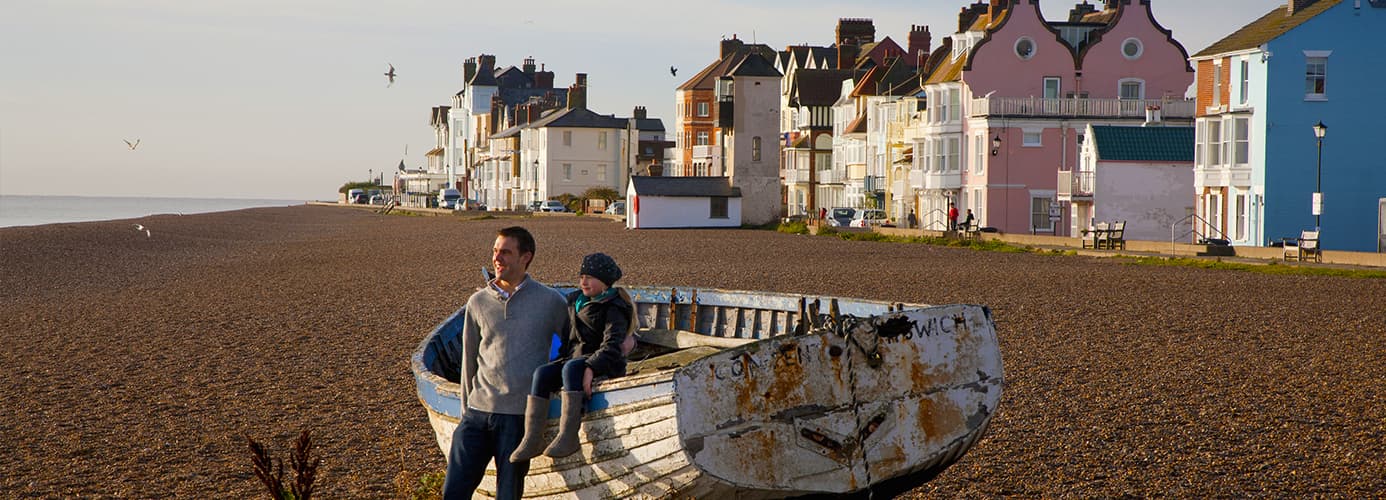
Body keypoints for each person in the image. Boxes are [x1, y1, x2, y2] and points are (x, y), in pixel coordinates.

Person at [441, 226, 570, 500]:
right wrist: (466, 409)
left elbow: (573, 346)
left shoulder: (550, 302)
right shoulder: (477, 302)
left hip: (517, 418)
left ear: (526, 257)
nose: (497, 259)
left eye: (506, 253)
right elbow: (469, 361)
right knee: (453, 492)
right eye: (495, 252)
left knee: (508, 495)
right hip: (477, 414)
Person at [509, 252, 633, 463]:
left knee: (571, 369)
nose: (584, 281)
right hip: (576, 360)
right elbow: (569, 340)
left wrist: (591, 367)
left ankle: (568, 435)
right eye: (582, 276)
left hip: (604, 362)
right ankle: (533, 438)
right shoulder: (575, 301)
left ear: (604, 281)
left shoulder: (614, 306)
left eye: (590, 277)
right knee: (542, 373)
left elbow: (612, 345)